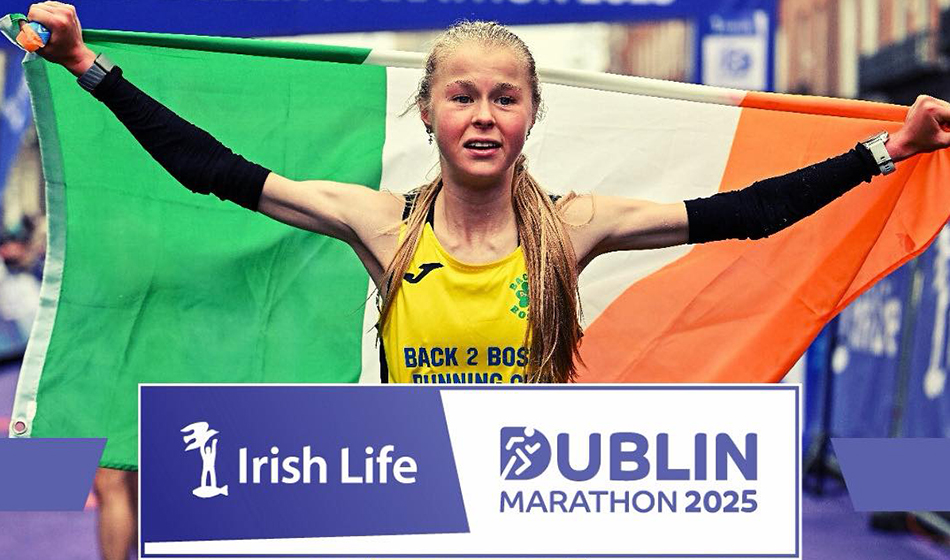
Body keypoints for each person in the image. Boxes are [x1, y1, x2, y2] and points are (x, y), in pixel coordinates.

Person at [24, 0, 950, 556]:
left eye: (505, 97)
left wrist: (886, 149)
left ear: (531, 114)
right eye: (461, 95)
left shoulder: (576, 226)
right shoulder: (382, 224)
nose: (482, 114)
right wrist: (87, 67)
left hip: (532, 510)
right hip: (405, 503)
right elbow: (215, 171)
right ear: (427, 111)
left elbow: (748, 213)